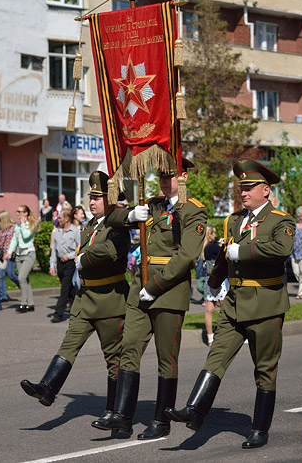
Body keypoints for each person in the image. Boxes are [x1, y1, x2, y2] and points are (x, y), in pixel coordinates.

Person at [165, 158, 295, 449]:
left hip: (266, 306)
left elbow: (281, 249)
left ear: (266, 190)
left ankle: (260, 429)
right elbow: (226, 256)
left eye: (249, 188)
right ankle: (194, 409)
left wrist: (243, 252)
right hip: (234, 304)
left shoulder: (280, 220)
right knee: (216, 357)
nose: (244, 193)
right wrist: (214, 281)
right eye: (241, 188)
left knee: (264, 369)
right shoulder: (234, 220)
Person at [96, 158, 207, 440]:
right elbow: (111, 218)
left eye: (170, 175)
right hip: (139, 288)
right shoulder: (154, 204)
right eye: (161, 174)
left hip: (168, 291)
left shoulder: (193, 211)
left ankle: (162, 419)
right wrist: (131, 216)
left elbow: (186, 256)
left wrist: (155, 286)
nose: (165, 179)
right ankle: (122, 415)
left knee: (165, 357)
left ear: (183, 177)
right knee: (129, 346)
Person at [21, 171, 130, 423]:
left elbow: (111, 252)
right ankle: (47, 387)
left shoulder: (117, 226)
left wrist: (82, 258)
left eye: (98, 197)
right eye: (91, 197)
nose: (92, 202)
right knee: (69, 344)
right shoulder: (91, 225)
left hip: (109, 299)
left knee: (113, 357)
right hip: (85, 298)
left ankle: (114, 410)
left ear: (111, 200)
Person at [49, 210, 80, 322]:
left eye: (60, 218)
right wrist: (52, 266)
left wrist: (69, 255)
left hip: (70, 263)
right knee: (70, 289)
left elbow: (79, 247)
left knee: (64, 288)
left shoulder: (75, 231)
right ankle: (79, 309)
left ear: (67, 219)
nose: (59, 220)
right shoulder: (57, 232)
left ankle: (58, 313)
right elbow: (54, 251)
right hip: (60, 263)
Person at [5, 205, 38, 312]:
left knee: (21, 278)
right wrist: (9, 252)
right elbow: (14, 240)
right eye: (17, 211)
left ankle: (23, 303)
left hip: (29, 253)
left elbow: (26, 236)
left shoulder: (32, 224)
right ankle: (31, 303)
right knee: (25, 279)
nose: (18, 214)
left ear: (26, 213)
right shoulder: (17, 225)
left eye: (20, 212)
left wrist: (23, 224)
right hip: (19, 255)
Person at [202, 226, 228, 346]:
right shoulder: (213, 246)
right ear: (210, 234)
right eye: (213, 234)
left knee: (209, 308)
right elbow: (224, 253)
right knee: (225, 307)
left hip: (209, 277)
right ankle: (226, 334)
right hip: (218, 278)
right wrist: (222, 245)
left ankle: (210, 337)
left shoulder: (205, 246)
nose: (214, 236)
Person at [0, 210, 20, 302]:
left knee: (11, 274)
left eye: (0, 219)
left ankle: (24, 286)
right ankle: (3, 296)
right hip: (2, 256)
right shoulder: (1, 230)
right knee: (0, 275)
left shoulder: (14, 227)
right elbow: (1, 242)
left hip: (11, 255)